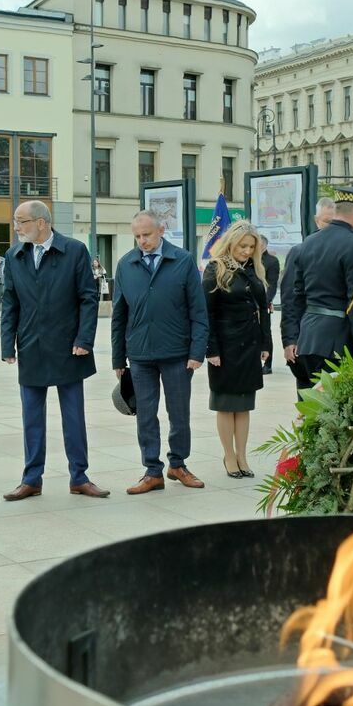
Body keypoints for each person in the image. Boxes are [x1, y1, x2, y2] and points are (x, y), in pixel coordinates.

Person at [0, 201, 109, 501]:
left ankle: (79, 477)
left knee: (73, 417)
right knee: (31, 418)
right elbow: (10, 302)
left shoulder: (74, 250)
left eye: (21, 221)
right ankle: (32, 478)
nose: (16, 227)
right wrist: (7, 343)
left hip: (69, 348)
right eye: (15, 221)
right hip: (32, 347)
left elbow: (88, 298)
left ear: (42, 222)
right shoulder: (14, 256)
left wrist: (84, 339)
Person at [111, 210, 209, 494]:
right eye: (138, 236)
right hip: (140, 355)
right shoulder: (125, 265)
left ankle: (177, 464)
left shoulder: (183, 261)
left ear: (161, 230)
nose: (142, 241)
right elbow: (119, 315)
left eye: (147, 235)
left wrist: (197, 351)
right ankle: (152, 471)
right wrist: (118, 358)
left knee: (179, 413)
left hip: (178, 354)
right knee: (145, 415)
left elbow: (198, 311)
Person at [282, 188, 353, 386]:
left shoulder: (309, 242)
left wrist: (293, 337)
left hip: (307, 340)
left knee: (309, 410)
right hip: (338, 344)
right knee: (336, 412)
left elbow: (296, 296)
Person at [203, 221, 272, 478]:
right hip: (225, 345)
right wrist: (211, 349)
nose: (246, 250)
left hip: (250, 344)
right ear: (231, 242)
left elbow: (263, 309)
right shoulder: (215, 269)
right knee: (225, 403)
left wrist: (266, 343)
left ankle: (242, 455)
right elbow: (207, 313)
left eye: (251, 246)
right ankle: (229, 456)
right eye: (242, 245)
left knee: (244, 405)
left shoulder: (254, 270)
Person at [279, 197, 336, 390]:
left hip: (337, 340)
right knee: (308, 401)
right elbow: (290, 300)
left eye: (334, 221)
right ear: (316, 220)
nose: (329, 226)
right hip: (307, 340)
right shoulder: (300, 251)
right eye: (326, 221)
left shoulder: (346, 250)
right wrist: (289, 339)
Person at [258, 235, 281, 374]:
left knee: (266, 332)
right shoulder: (247, 259)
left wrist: (266, 302)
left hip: (263, 302)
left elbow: (272, 285)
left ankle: (268, 364)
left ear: (265, 245)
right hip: (248, 302)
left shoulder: (272, 261)